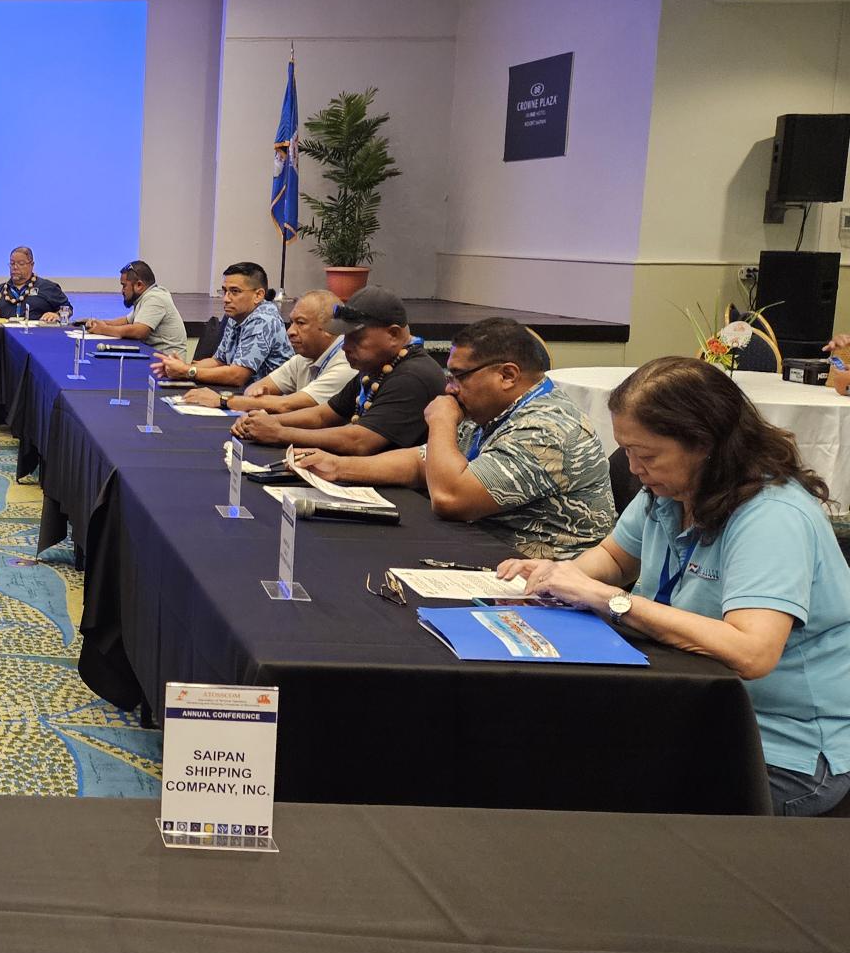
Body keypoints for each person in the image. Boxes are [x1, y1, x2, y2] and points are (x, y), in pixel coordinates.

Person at [499, 356, 850, 816]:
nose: (633, 467)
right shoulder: (669, 493)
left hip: (781, 748)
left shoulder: (771, 517)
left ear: (704, 443)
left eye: (646, 454)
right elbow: (612, 558)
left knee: (586, 794)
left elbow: (752, 652)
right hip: (694, 713)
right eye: (627, 450)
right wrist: (559, 577)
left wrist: (611, 600)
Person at [288, 318, 613, 559]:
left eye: (459, 376)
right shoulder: (494, 409)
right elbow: (423, 460)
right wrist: (339, 467)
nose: (449, 387)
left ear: (507, 375)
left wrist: (441, 420)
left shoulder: (546, 428)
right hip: (486, 551)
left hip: (538, 576)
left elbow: (450, 499)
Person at [231, 286, 445, 453]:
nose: (344, 346)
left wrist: (280, 433)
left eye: (356, 338)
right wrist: (262, 420)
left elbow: (360, 441)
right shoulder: (376, 366)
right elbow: (323, 416)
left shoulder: (412, 377)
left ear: (394, 335)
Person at [180, 290, 352, 414]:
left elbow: (287, 405)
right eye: (291, 322)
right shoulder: (305, 356)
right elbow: (254, 389)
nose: (290, 331)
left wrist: (222, 399)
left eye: (301, 323)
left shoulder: (346, 363)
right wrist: (261, 398)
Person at [159, 262, 294, 387]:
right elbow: (218, 361)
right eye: (224, 291)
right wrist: (180, 367)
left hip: (270, 402)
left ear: (258, 295)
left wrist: (187, 371)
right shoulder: (236, 315)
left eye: (235, 291)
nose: (226, 299)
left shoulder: (264, 320)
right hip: (246, 395)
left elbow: (237, 376)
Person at [79, 260, 190, 357]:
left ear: (139, 285)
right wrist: (99, 322)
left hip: (168, 365)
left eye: (124, 286)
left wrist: (103, 329)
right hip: (155, 358)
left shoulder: (155, 298)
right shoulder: (146, 296)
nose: (122, 291)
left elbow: (139, 331)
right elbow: (126, 321)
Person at [0, 246, 70, 323]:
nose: (15, 267)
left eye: (21, 264)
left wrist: (56, 315)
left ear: (32, 265)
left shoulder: (48, 287)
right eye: (12, 263)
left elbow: (68, 309)